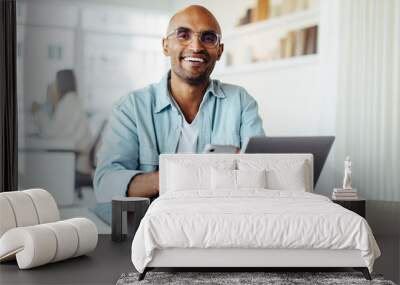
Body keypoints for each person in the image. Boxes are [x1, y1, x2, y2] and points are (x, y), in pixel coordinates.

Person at [94, 5, 265, 203]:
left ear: (219, 50)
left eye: (208, 38)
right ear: (166, 46)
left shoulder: (241, 102)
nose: (196, 46)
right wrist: (187, 176)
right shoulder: (131, 107)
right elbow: (106, 184)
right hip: (153, 225)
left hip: (221, 220)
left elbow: (260, 171)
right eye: (183, 35)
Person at [32, 69, 92, 175]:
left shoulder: (68, 101)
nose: (53, 86)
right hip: (75, 158)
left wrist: (38, 112)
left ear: (61, 83)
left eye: (55, 82)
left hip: (75, 161)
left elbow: (50, 132)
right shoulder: (71, 100)